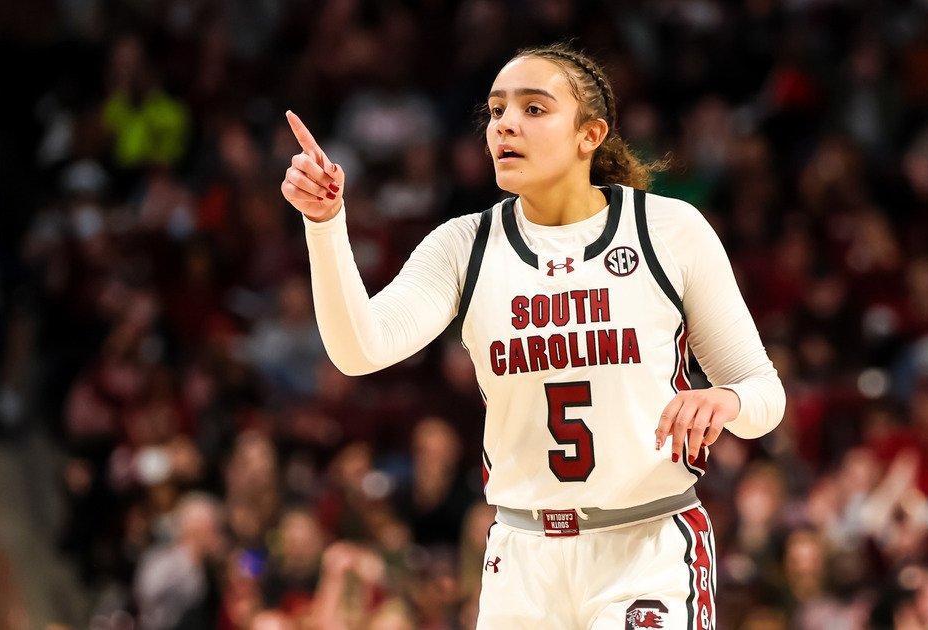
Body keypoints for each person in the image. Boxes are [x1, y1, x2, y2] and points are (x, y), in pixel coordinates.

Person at [281, 43, 785, 629]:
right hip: (521, 557)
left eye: (534, 109)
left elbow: (763, 395)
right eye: (496, 111)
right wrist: (325, 225)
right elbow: (358, 350)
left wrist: (727, 398)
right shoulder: (462, 245)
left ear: (589, 134)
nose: (506, 124)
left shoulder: (668, 230)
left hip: (646, 546)